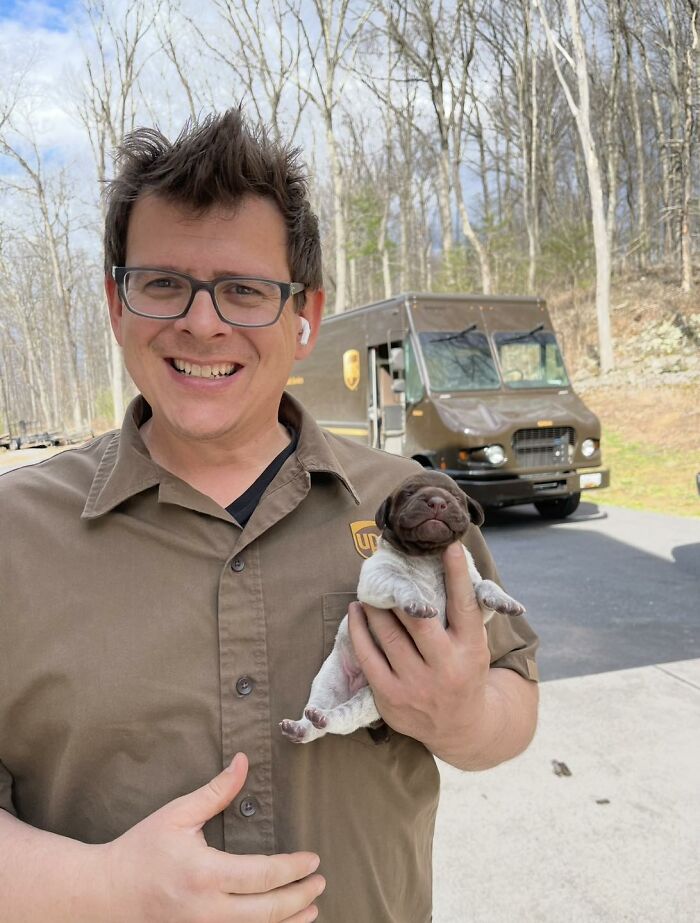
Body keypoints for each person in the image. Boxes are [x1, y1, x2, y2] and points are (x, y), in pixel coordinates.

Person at [0, 110, 539, 922]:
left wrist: (464, 718)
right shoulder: (13, 534)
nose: (202, 320)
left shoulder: (406, 501)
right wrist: (107, 888)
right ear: (117, 304)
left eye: (245, 290)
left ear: (305, 317)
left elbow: (514, 692)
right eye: (162, 283)